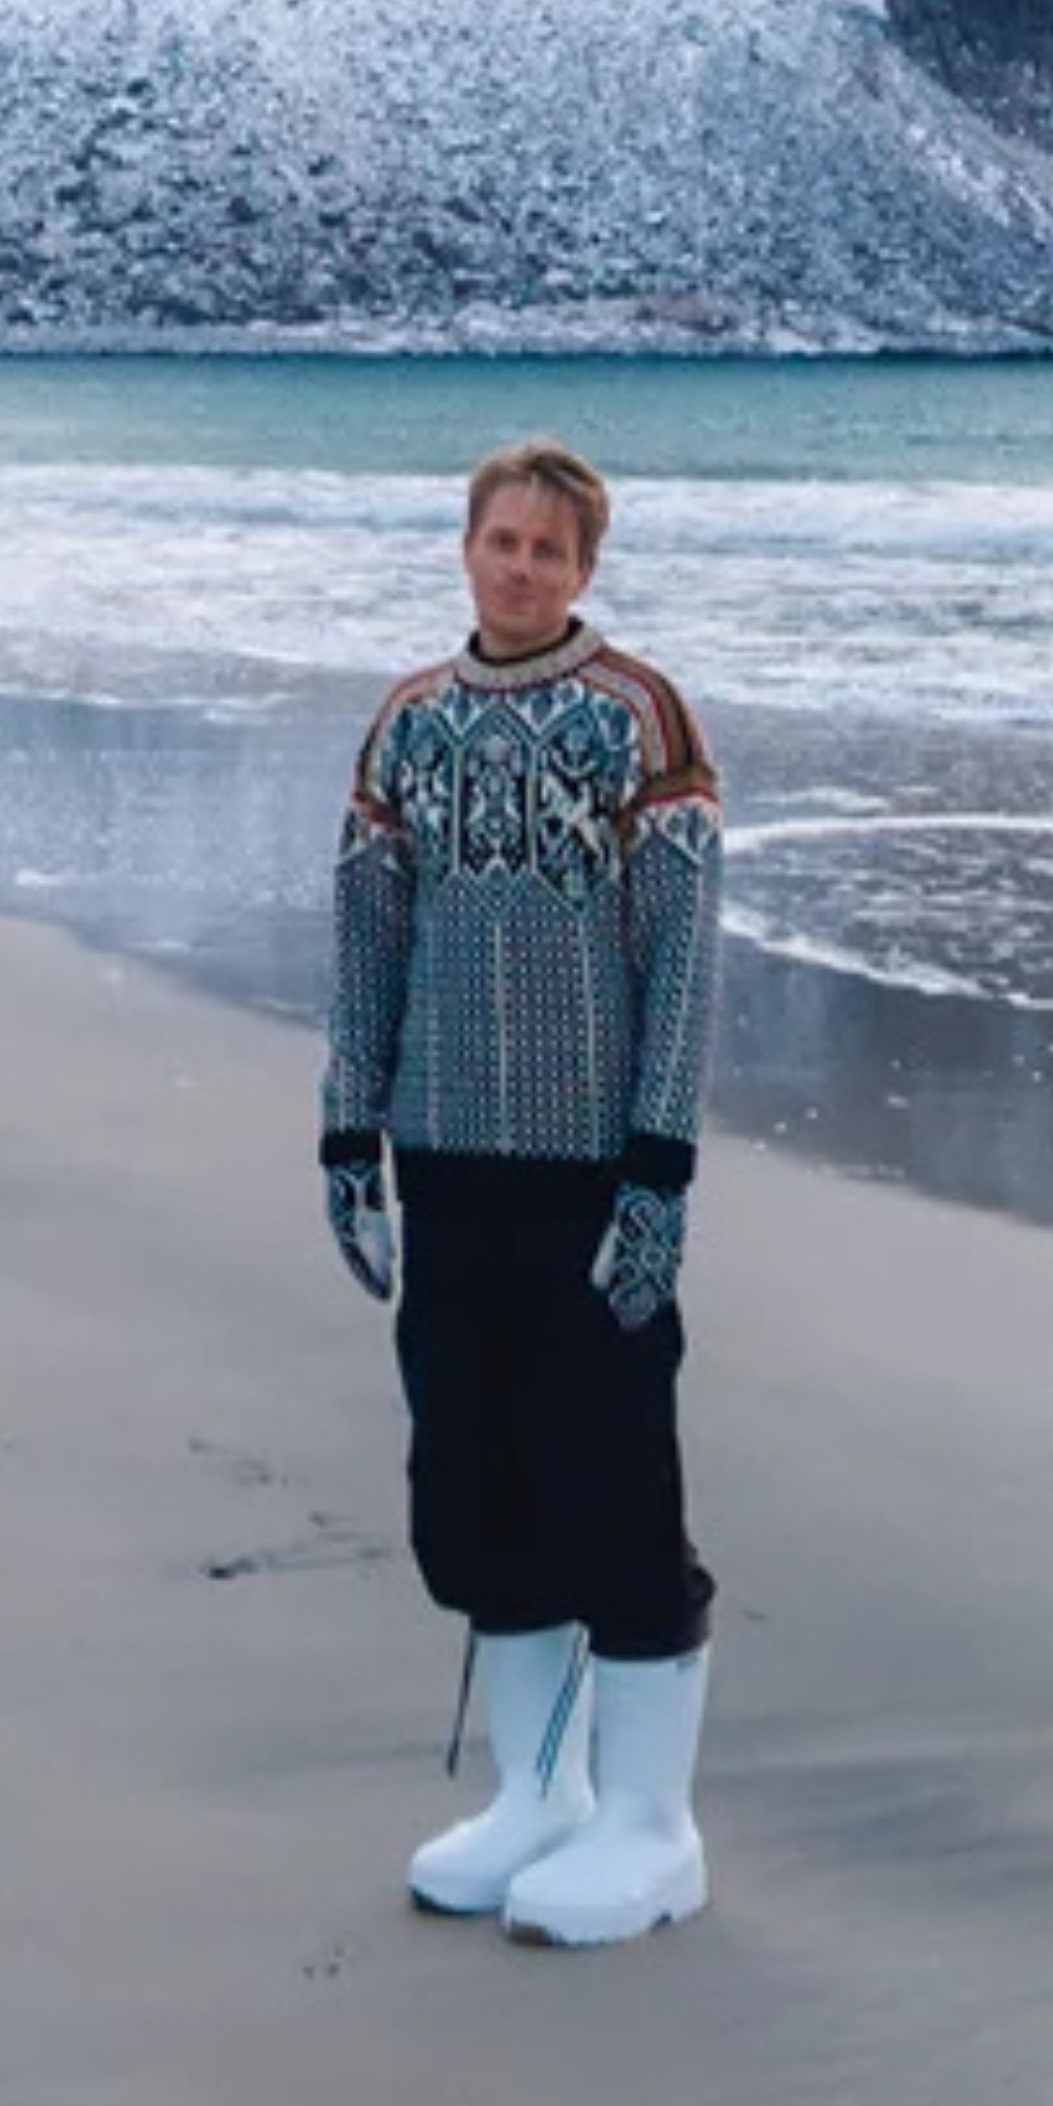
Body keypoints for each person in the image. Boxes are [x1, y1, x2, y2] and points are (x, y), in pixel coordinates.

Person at [321, 438, 727, 1944]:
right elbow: (365, 943)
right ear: (466, 546)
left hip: (590, 1169)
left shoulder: (641, 720)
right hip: (445, 1159)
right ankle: (537, 1802)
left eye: (549, 550)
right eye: (501, 540)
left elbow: (684, 962)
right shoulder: (408, 726)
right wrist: (347, 1140)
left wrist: (660, 1173)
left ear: (584, 569)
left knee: (615, 1477)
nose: (520, 567)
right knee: (474, 1481)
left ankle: (650, 1829)